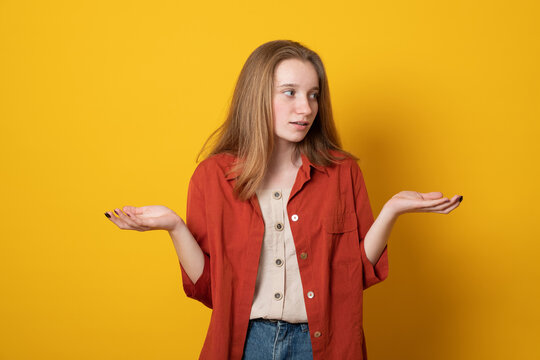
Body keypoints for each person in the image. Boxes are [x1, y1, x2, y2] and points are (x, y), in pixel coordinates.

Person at [104, 40, 462, 360]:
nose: (305, 108)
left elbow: (356, 274)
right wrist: (173, 225)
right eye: (289, 92)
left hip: (323, 345)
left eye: (313, 94)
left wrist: (392, 211)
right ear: (257, 95)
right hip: (247, 343)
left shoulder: (342, 172)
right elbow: (212, 288)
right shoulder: (212, 177)